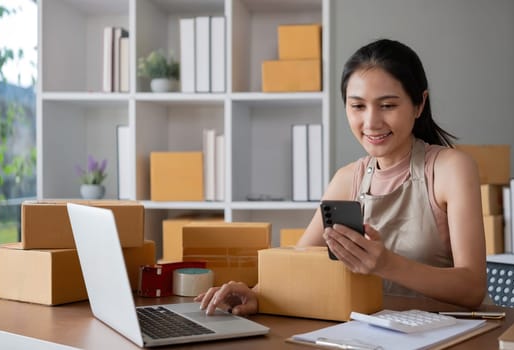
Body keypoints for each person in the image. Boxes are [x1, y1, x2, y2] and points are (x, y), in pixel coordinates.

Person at [195, 38, 487, 315]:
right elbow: (300, 263)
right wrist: (255, 293)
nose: (371, 122)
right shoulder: (347, 179)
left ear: (419, 104)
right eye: (358, 106)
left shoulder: (451, 168)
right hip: (365, 334)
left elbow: (472, 288)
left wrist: (385, 264)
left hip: (445, 336)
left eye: (388, 105)